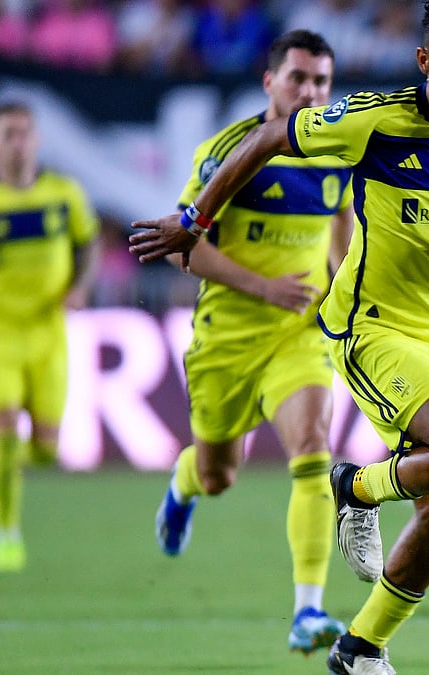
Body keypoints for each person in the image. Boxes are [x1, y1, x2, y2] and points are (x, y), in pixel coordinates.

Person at [128, 2, 429, 673]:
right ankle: (356, 489)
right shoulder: (371, 120)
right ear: (425, 62)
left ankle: (358, 646)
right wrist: (193, 220)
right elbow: (266, 139)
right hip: (366, 328)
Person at [150, 29, 356, 654]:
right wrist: (263, 287)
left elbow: (341, 229)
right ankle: (184, 485)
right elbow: (183, 250)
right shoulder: (231, 152)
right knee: (220, 475)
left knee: (315, 448)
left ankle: (308, 611)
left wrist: (346, 295)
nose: (310, 92)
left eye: (321, 81)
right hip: (228, 336)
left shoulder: (336, 152)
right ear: (269, 82)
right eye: (298, 78)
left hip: (299, 333)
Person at [0, 101, 100, 572]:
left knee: (45, 448)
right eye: (8, 134)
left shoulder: (63, 193)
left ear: (37, 140)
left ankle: (0, 470)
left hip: (48, 330)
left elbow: (89, 243)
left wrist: (80, 286)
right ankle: (6, 535)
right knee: (2, 428)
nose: (17, 143)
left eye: (24, 133)